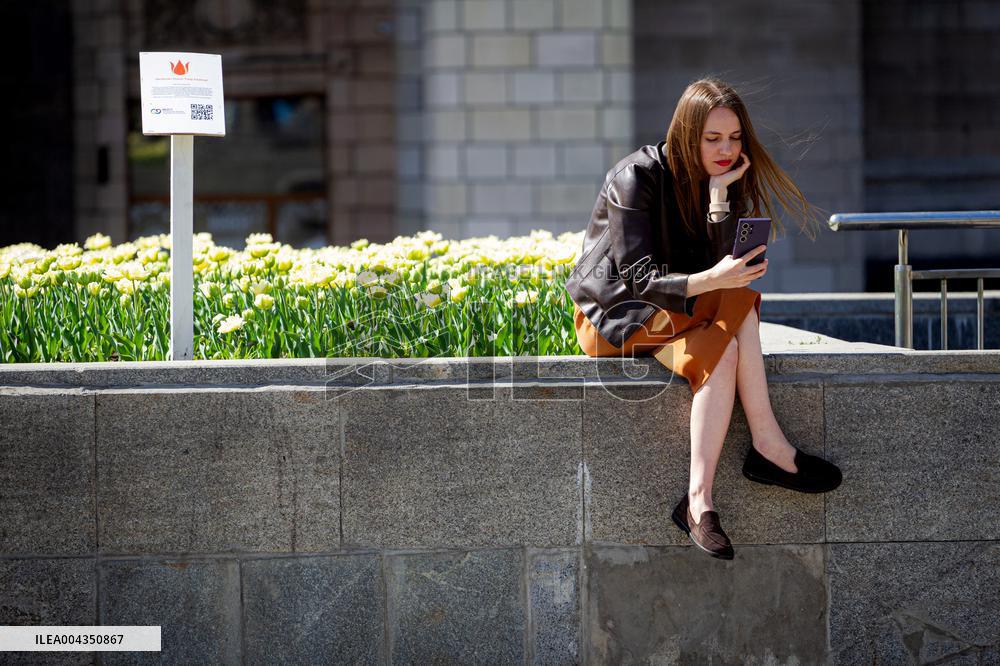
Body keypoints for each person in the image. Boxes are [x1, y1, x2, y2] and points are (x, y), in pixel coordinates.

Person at [565, 77, 842, 560]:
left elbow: (716, 274)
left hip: (674, 315)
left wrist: (718, 204)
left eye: (734, 138)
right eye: (712, 138)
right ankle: (769, 446)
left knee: (729, 339)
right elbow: (639, 280)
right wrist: (715, 278)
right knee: (736, 299)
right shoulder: (635, 177)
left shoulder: (720, 182)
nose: (726, 150)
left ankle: (698, 501)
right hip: (615, 316)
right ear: (686, 134)